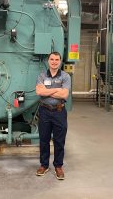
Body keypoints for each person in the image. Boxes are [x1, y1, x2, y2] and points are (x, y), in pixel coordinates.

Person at [35, 51, 71, 180]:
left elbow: (64, 95)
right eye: (52, 59)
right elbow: (39, 91)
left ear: (60, 61)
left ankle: (58, 166)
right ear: (48, 61)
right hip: (44, 111)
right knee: (43, 140)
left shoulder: (65, 76)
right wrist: (57, 89)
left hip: (59, 112)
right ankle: (44, 165)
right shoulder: (42, 75)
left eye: (57, 59)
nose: (54, 62)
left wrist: (47, 91)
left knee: (59, 140)